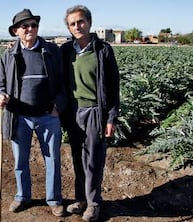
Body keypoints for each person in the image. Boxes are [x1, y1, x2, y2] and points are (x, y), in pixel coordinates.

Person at [0, 8, 67, 217]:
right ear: (16, 31)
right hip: (19, 117)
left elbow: (63, 83)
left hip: (48, 116)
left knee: (52, 159)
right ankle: (22, 196)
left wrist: (57, 106)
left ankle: (54, 199)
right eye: (25, 26)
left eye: (33, 25)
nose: (30, 29)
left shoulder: (51, 51)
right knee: (20, 160)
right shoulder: (8, 55)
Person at [60, 5, 120, 222]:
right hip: (74, 112)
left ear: (89, 22)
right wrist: (14, 46)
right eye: (72, 23)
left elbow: (114, 87)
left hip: (95, 112)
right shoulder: (66, 51)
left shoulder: (103, 50)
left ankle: (94, 203)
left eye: (81, 21)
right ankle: (81, 199)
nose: (77, 26)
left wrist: (111, 117)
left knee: (93, 160)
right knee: (78, 158)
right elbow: (43, 54)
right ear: (69, 27)